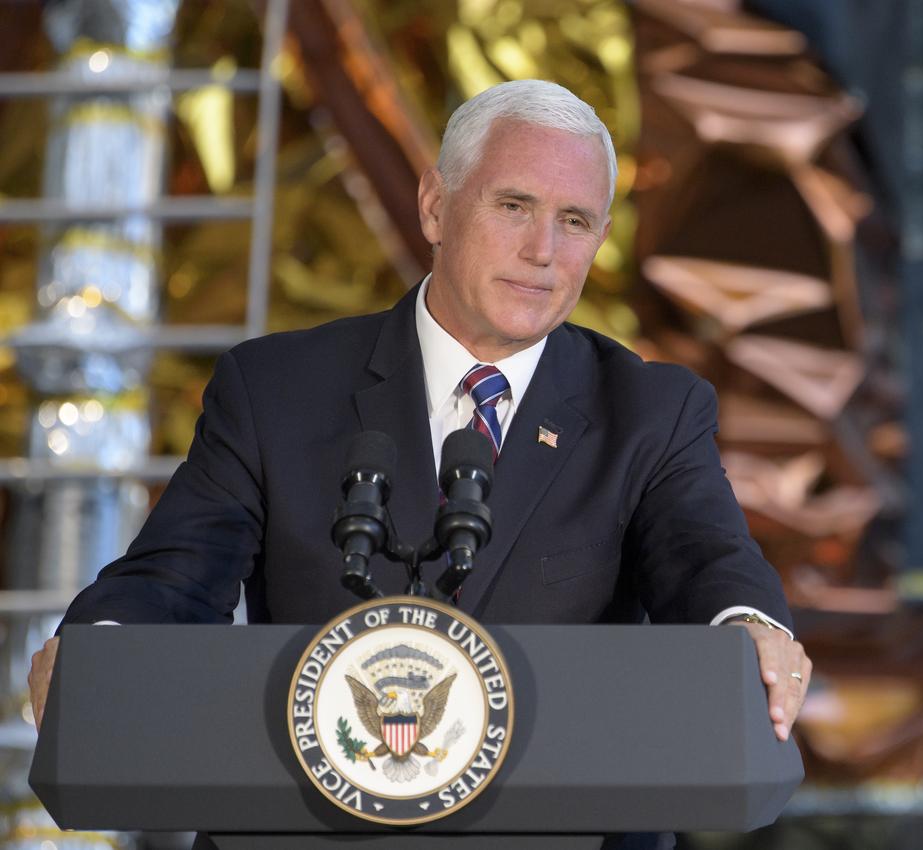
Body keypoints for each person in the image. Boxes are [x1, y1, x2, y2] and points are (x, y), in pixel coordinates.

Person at [28, 80, 810, 841]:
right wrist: (102, 637)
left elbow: (705, 558)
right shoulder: (275, 388)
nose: (542, 251)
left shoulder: (651, 410)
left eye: (574, 220)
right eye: (513, 206)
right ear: (436, 205)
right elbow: (176, 576)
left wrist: (746, 624)